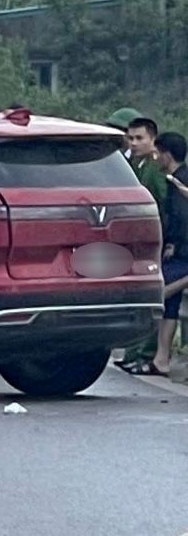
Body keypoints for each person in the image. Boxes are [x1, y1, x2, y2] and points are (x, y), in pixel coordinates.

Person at [127, 132, 188, 377]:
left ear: (166, 155)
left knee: (159, 290)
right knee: (170, 305)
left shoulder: (177, 181)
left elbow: (183, 220)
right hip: (179, 250)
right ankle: (161, 359)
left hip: (185, 255)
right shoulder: (174, 179)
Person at [115, 118, 168, 370]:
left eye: (140, 138)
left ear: (153, 140)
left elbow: (163, 204)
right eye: (131, 138)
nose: (134, 143)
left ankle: (144, 353)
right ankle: (133, 352)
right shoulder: (136, 164)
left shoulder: (155, 168)